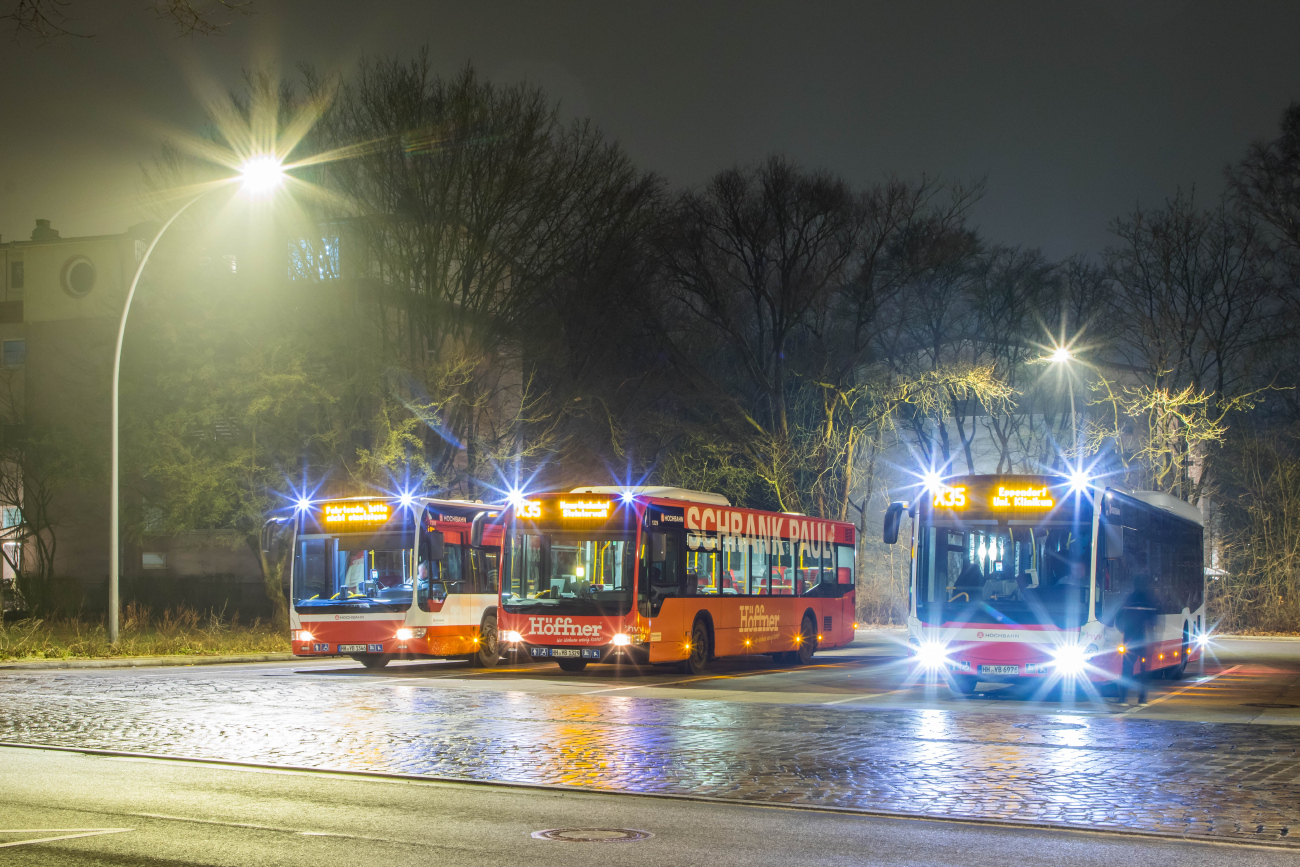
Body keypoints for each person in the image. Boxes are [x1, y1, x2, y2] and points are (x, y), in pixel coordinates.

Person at [1117, 574, 1157, 705]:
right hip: (1143, 641)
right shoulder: (1149, 600)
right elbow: (1153, 621)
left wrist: (1123, 630)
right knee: (1144, 671)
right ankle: (1142, 699)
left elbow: (1119, 618)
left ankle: (1123, 698)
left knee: (1126, 669)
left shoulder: (1129, 599)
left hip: (1129, 640)